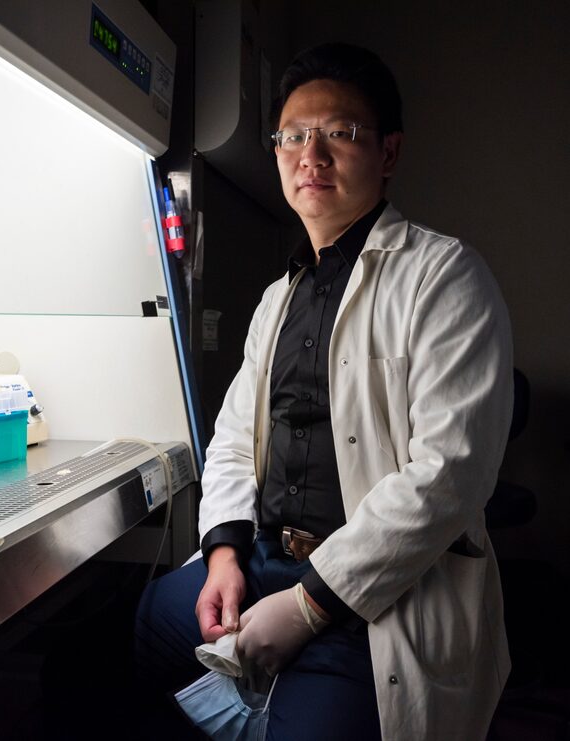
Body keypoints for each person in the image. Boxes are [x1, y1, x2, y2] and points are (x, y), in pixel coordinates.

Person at [135, 42, 513, 740]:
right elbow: (232, 439)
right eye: (292, 136)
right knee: (142, 627)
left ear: (388, 152)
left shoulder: (445, 276)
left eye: (339, 132)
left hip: (372, 596)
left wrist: (308, 606)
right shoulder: (278, 297)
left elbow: (449, 474)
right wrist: (221, 555)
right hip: (262, 559)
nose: (311, 154)